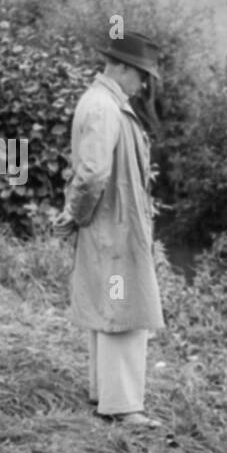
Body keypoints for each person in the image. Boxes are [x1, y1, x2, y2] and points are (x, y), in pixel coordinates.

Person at [53, 31, 166, 428]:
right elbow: (93, 172)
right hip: (113, 226)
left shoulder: (104, 102)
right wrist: (76, 214)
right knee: (123, 309)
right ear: (119, 68)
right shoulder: (103, 107)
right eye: (141, 74)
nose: (144, 84)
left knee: (111, 303)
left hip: (111, 225)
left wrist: (78, 215)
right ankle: (122, 407)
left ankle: (106, 394)